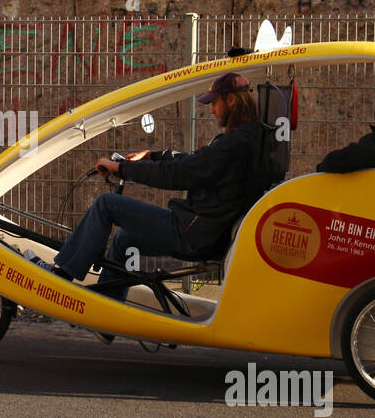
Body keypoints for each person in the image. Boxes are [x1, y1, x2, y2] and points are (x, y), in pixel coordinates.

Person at [28, 72, 270, 301]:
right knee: (124, 240)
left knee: (106, 204)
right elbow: (195, 163)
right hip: (205, 231)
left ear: (231, 100)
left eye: (215, 103)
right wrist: (153, 155)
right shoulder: (246, 139)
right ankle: (106, 315)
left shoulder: (234, 146)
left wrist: (120, 169)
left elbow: (180, 173)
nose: (213, 110)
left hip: (193, 233)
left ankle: (61, 275)